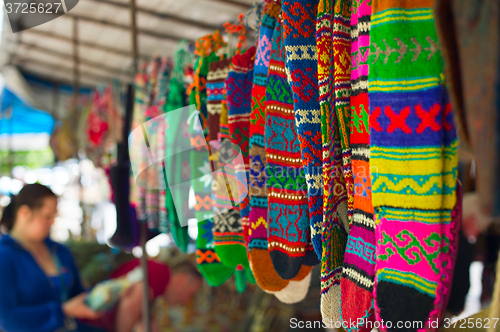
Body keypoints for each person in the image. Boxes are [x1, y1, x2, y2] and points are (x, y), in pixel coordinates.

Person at [0, 183, 105, 332]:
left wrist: (104, 294)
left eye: (54, 216)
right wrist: (63, 311)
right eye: (47, 216)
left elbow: (79, 295)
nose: (52, 222)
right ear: (24, 213)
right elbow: (7, 320)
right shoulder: (4, 257)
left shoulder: (59, 250)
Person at [84, 258, 203, 332]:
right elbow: (130, 305)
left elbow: (143, 320)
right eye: (191, 294)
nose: (186, 301)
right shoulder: (161, 273)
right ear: (181, 281)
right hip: (89, 323)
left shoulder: (158, 285)